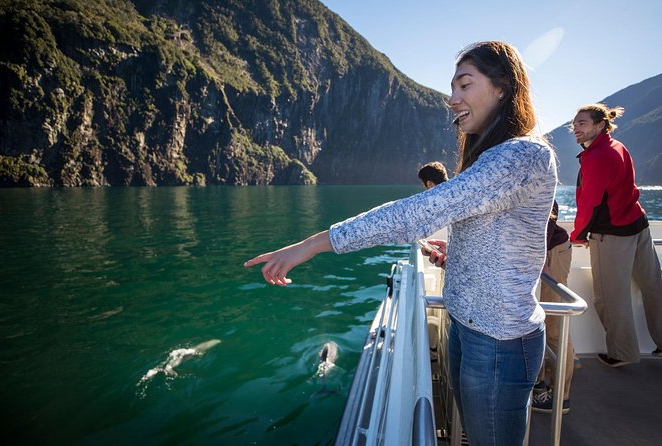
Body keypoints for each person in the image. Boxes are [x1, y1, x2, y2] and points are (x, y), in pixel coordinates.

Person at [245, 41, 557, 445]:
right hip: (469, 326)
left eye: (464, 85)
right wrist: (460, 256)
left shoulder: (522, 155)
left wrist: (311, 245)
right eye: (452, 88)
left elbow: (420, 213)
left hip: (498, 342)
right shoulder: (493, 156)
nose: (452, 99)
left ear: (503, 87)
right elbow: (495, 231)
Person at [570, 104, 662, 367]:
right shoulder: (618, 146)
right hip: (638, 224)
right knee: (654, 287)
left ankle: (622, 353)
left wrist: (578, 235)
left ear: (600, 126)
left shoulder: (597, 157)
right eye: (574, 123)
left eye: (582, 123)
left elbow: (590, 203)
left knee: (611, 297)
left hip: (613, 234)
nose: (576, 128)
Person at [532, 200, 575, 414]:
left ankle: (560, 397)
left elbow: (550, 215)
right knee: (543, 325)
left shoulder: (541, 184)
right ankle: (541, 383)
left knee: (555, 328)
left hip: (552, 254)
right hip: (543, 256)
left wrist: (543, 265)